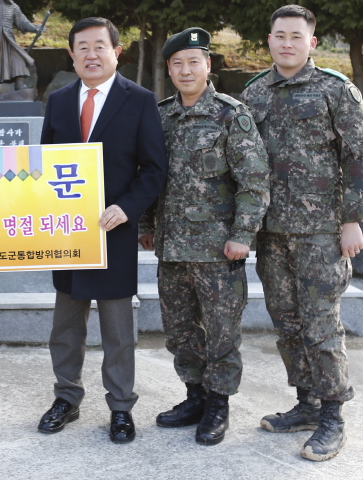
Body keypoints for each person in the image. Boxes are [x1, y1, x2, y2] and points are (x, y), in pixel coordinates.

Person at [241, 5, 363, 462]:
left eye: (296, 36)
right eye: (279, 35)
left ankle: (333, 415)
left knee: (321, 324)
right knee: (286, 322)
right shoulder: (255, 92)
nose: (287, 43)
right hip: (271, 232)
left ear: (311, 42)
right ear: (269, 40)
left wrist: (352, 219)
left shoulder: (336, 90)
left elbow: (360, 155)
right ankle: (306, 403)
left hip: (321, 232)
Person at [36, 17, 167, 444]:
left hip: (115, 233)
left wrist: (126, 208)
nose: (91, 55)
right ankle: (66, 398)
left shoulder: (140, 100)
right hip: (68, 233)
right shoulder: (58, 101)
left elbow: (154, 169)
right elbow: (44, 165)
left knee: (117, 330)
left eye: (99, 46)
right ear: (71, 55)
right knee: (65, 326)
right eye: (83, 47)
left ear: (117, 52)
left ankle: (121, 406)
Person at [138, 28, 269, 445]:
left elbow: (254, 182)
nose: (186, 70)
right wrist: (145, 225)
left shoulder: (231, 115)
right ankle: (194, 395)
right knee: (179, 330)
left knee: (221, 332)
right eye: (177, 63)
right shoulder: (160, 116)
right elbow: (149, 176)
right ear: (169, 70)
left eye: (193, 62)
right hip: (172, 249)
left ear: (208, 65)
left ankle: (218, 403)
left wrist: (242, 235)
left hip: (218, 250)